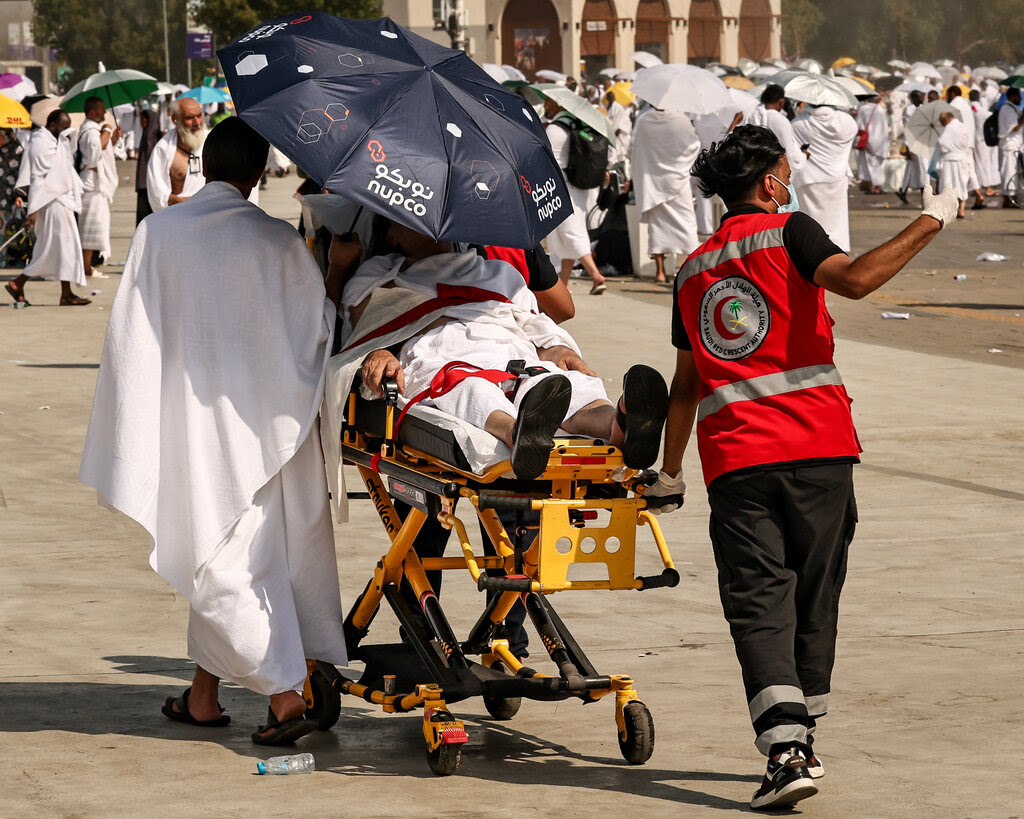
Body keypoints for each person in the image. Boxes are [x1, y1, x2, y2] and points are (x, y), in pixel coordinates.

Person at [646, 125, 958, 810]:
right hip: (820, 448)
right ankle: (798, 738)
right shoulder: (788, 231)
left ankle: (789, 747)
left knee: (759, 600)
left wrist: (669, 473)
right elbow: (857, 280)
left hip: (737, 460)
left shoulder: (694, 269)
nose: (791, 183)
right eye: (787, 172)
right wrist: (933, 219)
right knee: (815, 595)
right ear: (768, 183)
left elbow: (686, 385)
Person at [79, 117, 349, 746]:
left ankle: (285, 698)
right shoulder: (280, 242)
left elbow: (131, 337)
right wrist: (334, 271)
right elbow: (318, 332)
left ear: (202, 166)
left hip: (188, 421)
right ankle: (204, 697)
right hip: (262, 425)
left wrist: (139, 416)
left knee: (219, 555)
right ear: (259, 174)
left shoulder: (158, 233)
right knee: (230, 550)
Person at [336, 218, 668, 480]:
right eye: (413, 219)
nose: (430, 223)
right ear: (393, 237)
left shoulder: (497, 272)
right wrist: (378, 354)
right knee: (470, 390)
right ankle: (516, 433)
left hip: (508, 352)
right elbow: (366, 328)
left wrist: (554, 347)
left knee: (557, 381)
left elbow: (531, 320)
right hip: (443, 357)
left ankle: (620, 422)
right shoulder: (379, 276)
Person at [3, 110, 90, 307]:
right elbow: (40, 179)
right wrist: (33, 211)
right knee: (56, 248)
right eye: (64, 125)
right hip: (50, 202)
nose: (67, 129)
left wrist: (68, 138)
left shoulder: (54, 141)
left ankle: (63, 293)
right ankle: (20, 283)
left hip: (61, 200)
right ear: (52, 126)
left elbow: (65, 162)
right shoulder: (40, 143)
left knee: (62, 248)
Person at [543, 96, 608, 294]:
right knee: (569, 231)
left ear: (557, 104)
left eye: (547, 102)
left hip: (561, 185)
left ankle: (596, 276)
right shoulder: (575, 124)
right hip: (578, 186)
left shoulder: (554, 129)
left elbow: (546, 159)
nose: (545, 106)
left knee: (571, 231)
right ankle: (564, 283)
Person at [630, 105, 701, 282]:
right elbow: (694, 146)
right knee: (686, 225)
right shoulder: (681, 121)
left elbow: (635, 148)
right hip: (677, 180)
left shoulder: (644, 121)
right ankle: (690, 269)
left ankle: (660, 272)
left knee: (657, 228)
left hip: (654, 181)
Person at [791, 104, 859, 251]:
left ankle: (811, 254)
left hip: (808, 178)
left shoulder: (798, 122)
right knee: (835, 222)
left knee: (810, 223)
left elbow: (794, 149)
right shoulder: (846, 121)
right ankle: (837, 254)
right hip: (836, 178)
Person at [77, 96, 122, 278]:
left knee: (96, 229)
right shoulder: (89, 131)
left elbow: (101, 150)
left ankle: (87, 266)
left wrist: (113, 139)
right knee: (89, 230)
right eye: (101, 109)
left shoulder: (94, 131)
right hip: (91, 187)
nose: (104, 113)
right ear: (91, 112)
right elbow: (94, 156)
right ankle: (84, 267)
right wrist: (107, 132)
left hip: (97, 188)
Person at [147, 96, 207, 212]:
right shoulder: (163, 149)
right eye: (190, 118)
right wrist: (182, 202)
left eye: (199, 115)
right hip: (178, 215)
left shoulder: (212, 140)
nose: (197, 122)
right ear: (175, 119)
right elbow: (156, 192)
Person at [744, 84, 807, 180]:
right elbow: (789, 153)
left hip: (752, 171)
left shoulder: (751, 115)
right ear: (781, 102)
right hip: (774, 173)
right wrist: (803, 156)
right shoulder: (780, 120)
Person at [945, 86, 985, 210]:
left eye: (947, 94)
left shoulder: (953, 106)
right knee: (970, 169)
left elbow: (951, 126)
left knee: (961, 173)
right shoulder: (966, 105)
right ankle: (978, 194)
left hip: (958, 145)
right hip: (969, 143)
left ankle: (961, 204)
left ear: (952, 93)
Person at [936, 110, 972, 218]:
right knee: (961, 184)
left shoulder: (949, 128)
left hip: (950, 161)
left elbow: (942, 144)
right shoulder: (963, 126)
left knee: (948, 185)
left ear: (946, 119)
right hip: (962, 159)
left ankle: (948, 210)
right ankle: (961, 209)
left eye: (942, 122)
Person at [897, 90, 929, 205]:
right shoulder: (910, 111)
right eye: (920, 97)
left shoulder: (922, 108)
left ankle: (903, 190)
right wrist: (909, 147)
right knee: (922, 169)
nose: (922, 99)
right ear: (914, 98)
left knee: (912, 169)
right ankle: (924, 195)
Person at [854, 94, 889, 194]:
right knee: (878, 166)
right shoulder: (881, 110)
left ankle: (870, 186)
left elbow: (859, 125)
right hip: (880, 142)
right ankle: (877, 187)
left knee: (866, 165)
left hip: (866, 140)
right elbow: (884, 128)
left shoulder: (863, 109)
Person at [997, 86, 1024, 208]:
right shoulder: (1007, 109)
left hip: (1013, 146)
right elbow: (1016, 127)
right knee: (1008, 173)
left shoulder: (1012, 108)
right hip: (1009, 146)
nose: (1020, 98)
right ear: (1012, 97)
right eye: (1018, 96)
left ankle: (1011, 199)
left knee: (1012, 172)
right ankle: (1008, 200)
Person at [134, 108, 161, 225]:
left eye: (144, 118)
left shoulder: (152, 137)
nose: (141, 121)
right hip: (144, 184)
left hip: (148, 184)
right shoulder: (146, 134)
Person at [970, 89, 999, 195]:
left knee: (976, 164)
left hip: (973, 140)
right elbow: (986, 116)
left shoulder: (970, 108)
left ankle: (976, 188)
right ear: (978, 98)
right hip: (981, 140)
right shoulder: (977, 108)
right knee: (984, 164)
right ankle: (987, 188)